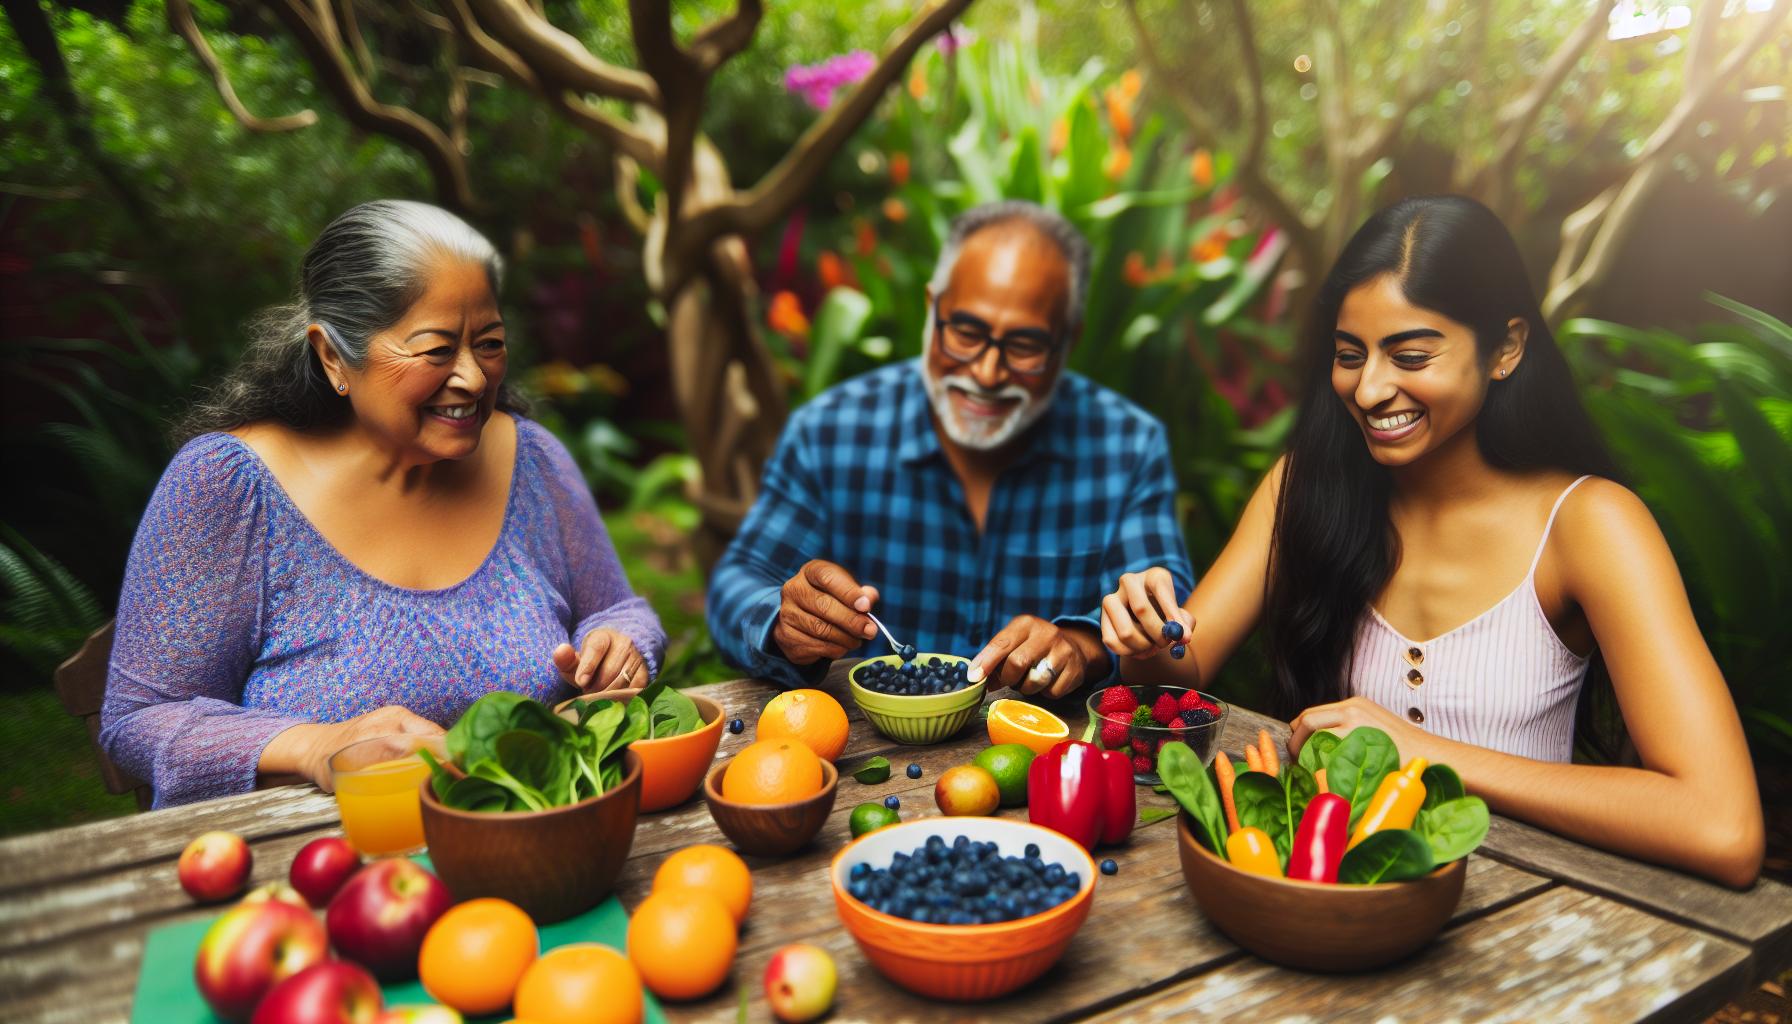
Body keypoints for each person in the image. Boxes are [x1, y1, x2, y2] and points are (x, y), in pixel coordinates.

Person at [1101, 195, 1763, 887]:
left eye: (1411, 355)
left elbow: (1721, 826)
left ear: (1505, 348)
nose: (1369, 389)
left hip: (1534, 919)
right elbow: (1179, 675)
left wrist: (1419, 750)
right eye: (1349, 355)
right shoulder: (1307, 485)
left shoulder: (1590, 524)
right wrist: (1149, 637)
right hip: (1341, 899)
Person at [100, 200, 665, 807]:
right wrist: (317, 746)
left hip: (525, 846)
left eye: (490, 343)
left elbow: (621, 610)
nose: (474, 379)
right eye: (436, 350)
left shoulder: (530, 459)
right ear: (333, 356)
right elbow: (139, 717)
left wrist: (619, 645)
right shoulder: (230, 488)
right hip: (304, 873)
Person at [708, 201, 1193, 698]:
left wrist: (1085, 640)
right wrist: (782, 620)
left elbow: (1166, 597)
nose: (985, 373)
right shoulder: (831, 431)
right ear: (931, 307)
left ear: (1068, 340)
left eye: (1024, 345)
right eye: (965, 332)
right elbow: (735, 584)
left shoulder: (1126, 445)